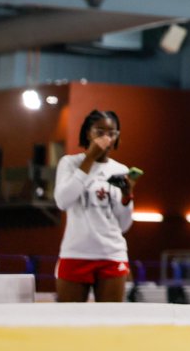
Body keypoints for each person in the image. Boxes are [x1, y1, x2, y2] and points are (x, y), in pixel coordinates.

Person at [53, 109, 135, 302]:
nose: (106, 138)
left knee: (109, 323)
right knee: (69, 321)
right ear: (88, 133)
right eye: (100, 132)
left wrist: (127, 196)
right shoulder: (69, 163)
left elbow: (123, 226)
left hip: (111, 254)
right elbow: (63, 201)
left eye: (112, 133)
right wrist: (89, 158)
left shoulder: (121, 170)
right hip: (75, 252)